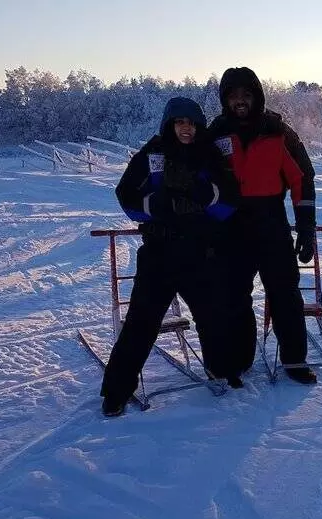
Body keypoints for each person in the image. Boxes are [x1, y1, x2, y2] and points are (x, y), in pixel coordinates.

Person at [100, 96, 241, 417]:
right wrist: (154, 207)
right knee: (140, 323)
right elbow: (125, 194)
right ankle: (116, 392)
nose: (186, 129)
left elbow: (230, 200)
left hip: (200, 252)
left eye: (191, 122)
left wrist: (207, 198)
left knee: (213, 316)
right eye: (179, 122)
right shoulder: (151, 154)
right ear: (169, 124)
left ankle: (220, 370)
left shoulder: (210, 156)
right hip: (159, 253)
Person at [209, 67, 318, 385]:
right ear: (225, 100)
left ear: (257, 96)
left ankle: (295, 361)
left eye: (246, 94)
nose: (240, 101)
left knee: (285, 293)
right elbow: (200, 181)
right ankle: (238, 362)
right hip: (231, 227)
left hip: (271, 223)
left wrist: (306, 229)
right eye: (233, 95)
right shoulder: (215, 134)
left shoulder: (278, 131)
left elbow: (302, 179)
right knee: (234, 297)